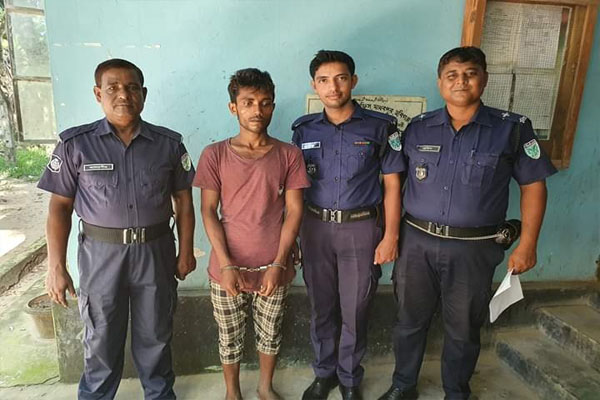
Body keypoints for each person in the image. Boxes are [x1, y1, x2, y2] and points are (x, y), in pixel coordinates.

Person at [378, 46, 557, 400]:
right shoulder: (418, 128)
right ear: (440, 83)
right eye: (452, 75)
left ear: (484, 79)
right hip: (417, 245)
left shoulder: (511, 129)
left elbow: (534, 187)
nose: (461, 81)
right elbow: (393, 184)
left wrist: (528, 244)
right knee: (408, 321)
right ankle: (403, 385)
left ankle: (456, 392)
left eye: (470, 74)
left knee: (463, 328)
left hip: (473, 250)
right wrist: (391, 235)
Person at [39, 58, 196, 400]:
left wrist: (186, 250)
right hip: (101, 255)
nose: (123, 94)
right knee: (100, 334)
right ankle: (96, 395)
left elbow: (184, 201)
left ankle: (159, 394)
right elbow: (59, 208)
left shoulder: (168, 144)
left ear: (144, 94)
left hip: (155, 251)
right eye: (113, 88)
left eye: (132, 87)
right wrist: (56, 266)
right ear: (98, 94)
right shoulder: (75, 144)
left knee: (156, 333)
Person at [292, 50, 404, 400]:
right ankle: (324, 374)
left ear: (353, 81)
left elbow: (393, 185)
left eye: (341, 78)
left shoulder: (380, 127)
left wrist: (391, 235)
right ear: (314, 85)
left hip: (360, 228)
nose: (333, 87)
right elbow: (294, 188)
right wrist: (293, 236)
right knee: (321, 305)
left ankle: (350, 378)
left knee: (356, 308)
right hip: (315, 228)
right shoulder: (303, 130)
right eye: (324, 80)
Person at [194, 68, 309, 400]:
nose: (257, 110)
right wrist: (227, 265)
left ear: (272, 106)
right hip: (227, 267)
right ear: (234, 108)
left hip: (273, 264)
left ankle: (264, 387)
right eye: (248, 102)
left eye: (265, 102)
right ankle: (232, 391)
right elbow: (208, 211)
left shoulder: (289, 155)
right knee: (229, 334)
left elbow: (294, 211)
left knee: (270, 331)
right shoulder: (215, 154)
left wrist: (279, 263)